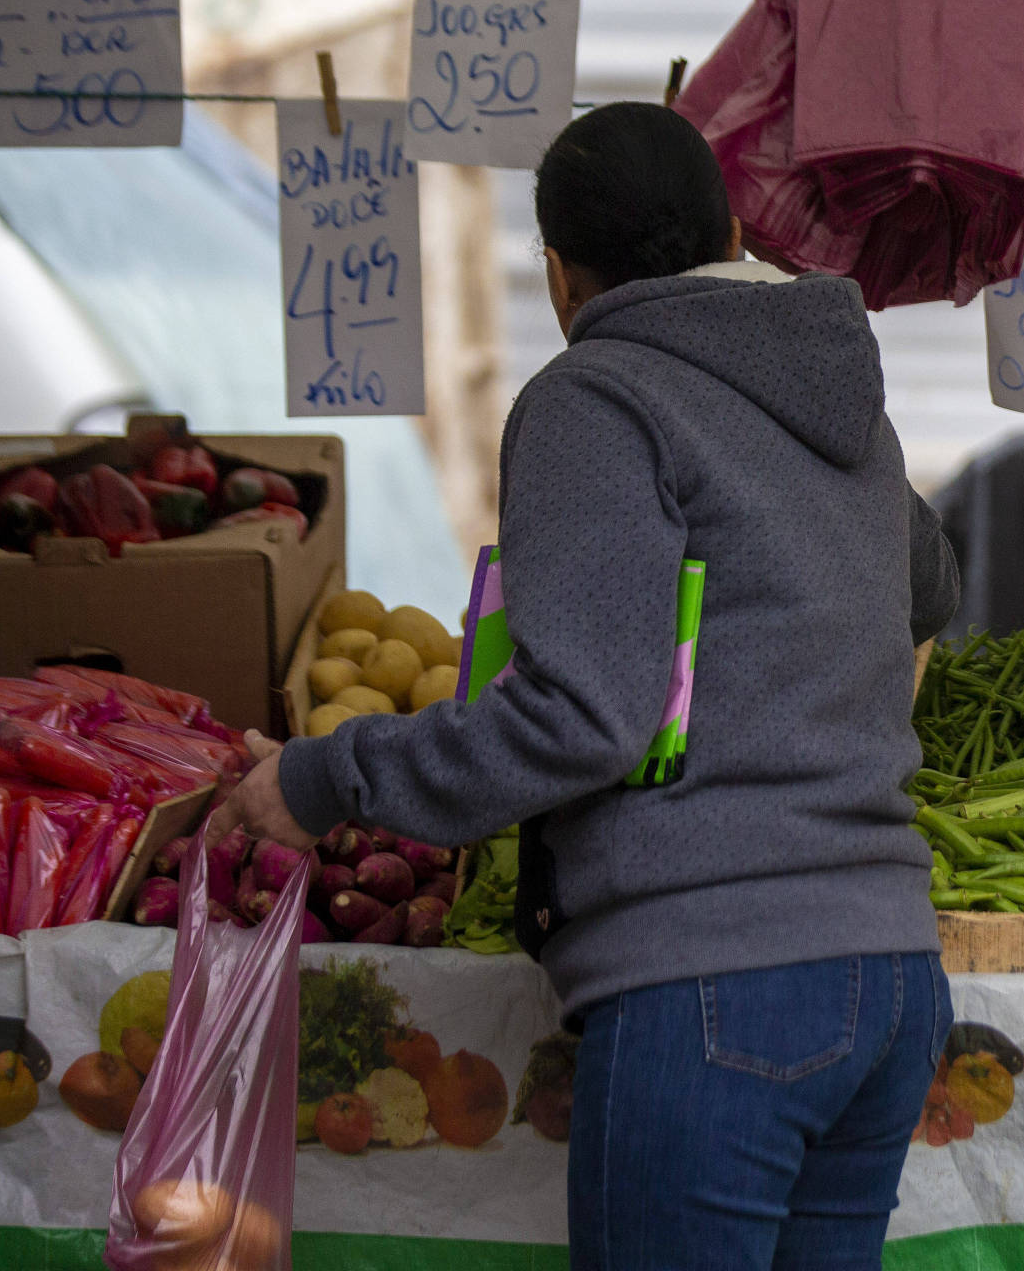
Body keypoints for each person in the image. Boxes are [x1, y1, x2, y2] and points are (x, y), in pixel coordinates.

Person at [213, 101, 962, 1271]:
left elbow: (578, 716)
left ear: (560, 275)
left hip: (716, 983)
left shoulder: (595, 398)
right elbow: (933, 582)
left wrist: (323, 774)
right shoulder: (833, 391)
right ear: (728, 234)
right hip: (892, 980)